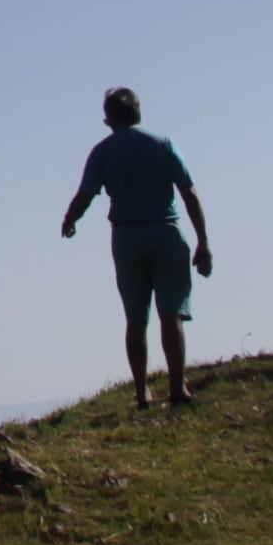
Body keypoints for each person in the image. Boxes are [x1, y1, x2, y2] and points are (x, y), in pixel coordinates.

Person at [60, 85, 215, 411]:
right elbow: (189, 193)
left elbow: (85, 195)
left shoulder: (102, 151)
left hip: (127, 236)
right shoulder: (163, 143)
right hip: (166, 231)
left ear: (109, 119)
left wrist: (70, 219)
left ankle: (142, 392)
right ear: (138, 112)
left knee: (136, 318)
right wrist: (203, 241)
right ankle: (178, 388)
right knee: (171, 315)